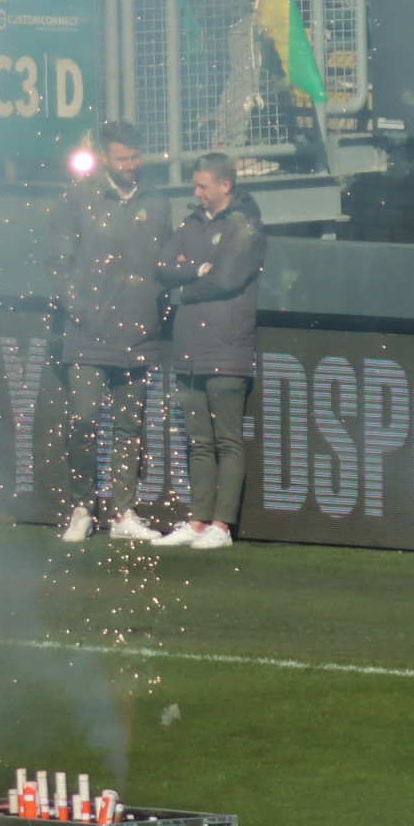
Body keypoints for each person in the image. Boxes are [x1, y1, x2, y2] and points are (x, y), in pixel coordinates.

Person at [48, 120, 169, 544]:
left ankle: (123, 513)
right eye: (123, 158)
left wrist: (156, 311)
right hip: (88, 336)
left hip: (139, 335)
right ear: (105, 158)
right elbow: (58, 263)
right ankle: (82, 506)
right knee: (82, 421)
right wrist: (81, 311)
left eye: (136, 157)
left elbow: (166, 263)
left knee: (128, 428)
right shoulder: (78, 198)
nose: (132, 165)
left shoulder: (156, 201)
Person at [155, 153, 265, 552]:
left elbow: (227, 279)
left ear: (225, 186)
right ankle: (199, 521)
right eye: (195, 184)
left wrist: (186, 286)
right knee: (199, 441)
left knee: (227, 441)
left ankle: (223, 524)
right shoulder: (189, 223)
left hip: (228, 348)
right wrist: (196, 269)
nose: (196, 192)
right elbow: (164, 264)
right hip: (189, 350)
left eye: (202, 185)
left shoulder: (246, 225)